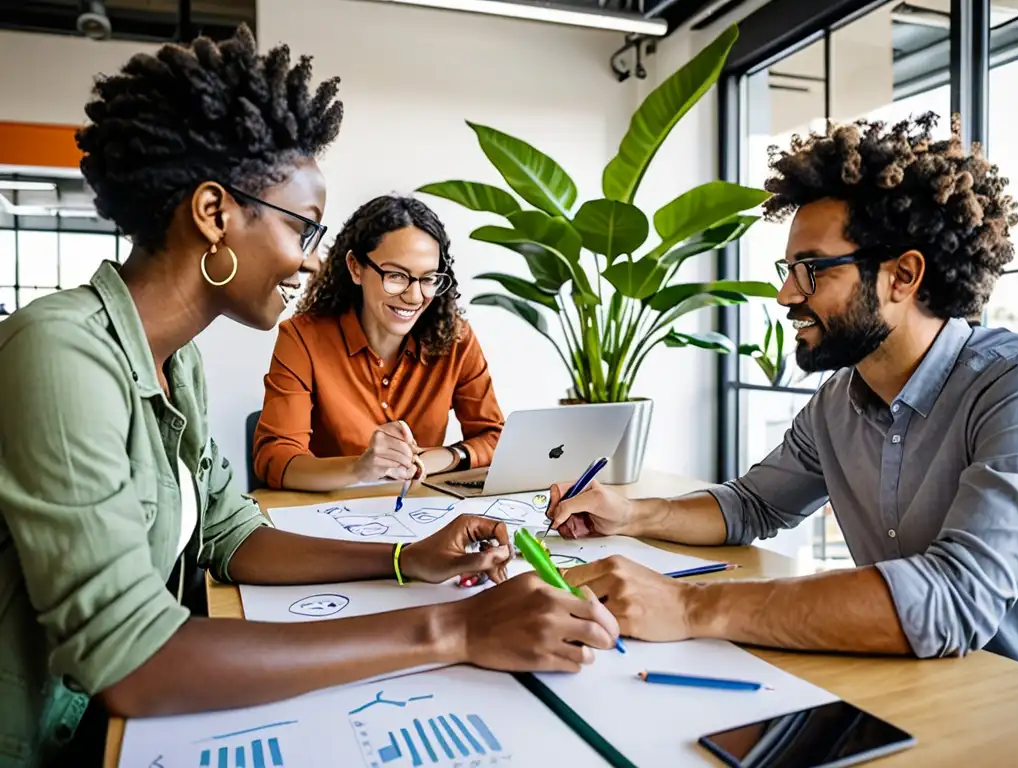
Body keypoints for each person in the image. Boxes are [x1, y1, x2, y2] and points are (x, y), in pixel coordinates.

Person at [0, 28, 618, 768]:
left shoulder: (177, 362)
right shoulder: (61, 350)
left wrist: (407, 559)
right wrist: (452, 630)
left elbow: (234, 539)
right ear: (213, 212)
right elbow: (130, 662)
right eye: (304, 226)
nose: (314, 256)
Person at [545, 113, 1018, 662]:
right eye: (789, 268)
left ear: (904, 276)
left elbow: (955, 598)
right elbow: (751, 505)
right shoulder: (837, 402)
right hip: (912, 685)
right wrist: (632, 514)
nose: (784, 294)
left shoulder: (1010, 388)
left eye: (812, 270)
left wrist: (689, 607)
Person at [252, 194, 504, 492]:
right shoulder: (302, 338)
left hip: (419, 512)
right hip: (330, 518)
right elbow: (275, 459)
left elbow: (494, 437)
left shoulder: (456, 339)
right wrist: (361, 467)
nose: (414, 297)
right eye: (396, 276)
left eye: (428, 279)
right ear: (356, 268)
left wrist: (443, 457)